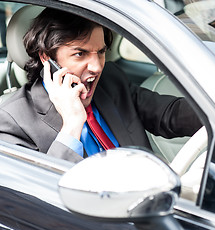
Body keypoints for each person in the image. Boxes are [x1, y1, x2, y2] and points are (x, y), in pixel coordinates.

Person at [0, 8, 202, 162]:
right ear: (46, 57)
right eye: (80, 54)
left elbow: (170, 114)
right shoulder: (12, 121)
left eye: (101, 52)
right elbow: (42, 197)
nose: (97, 67)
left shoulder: (111, 81)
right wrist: (72, 125)